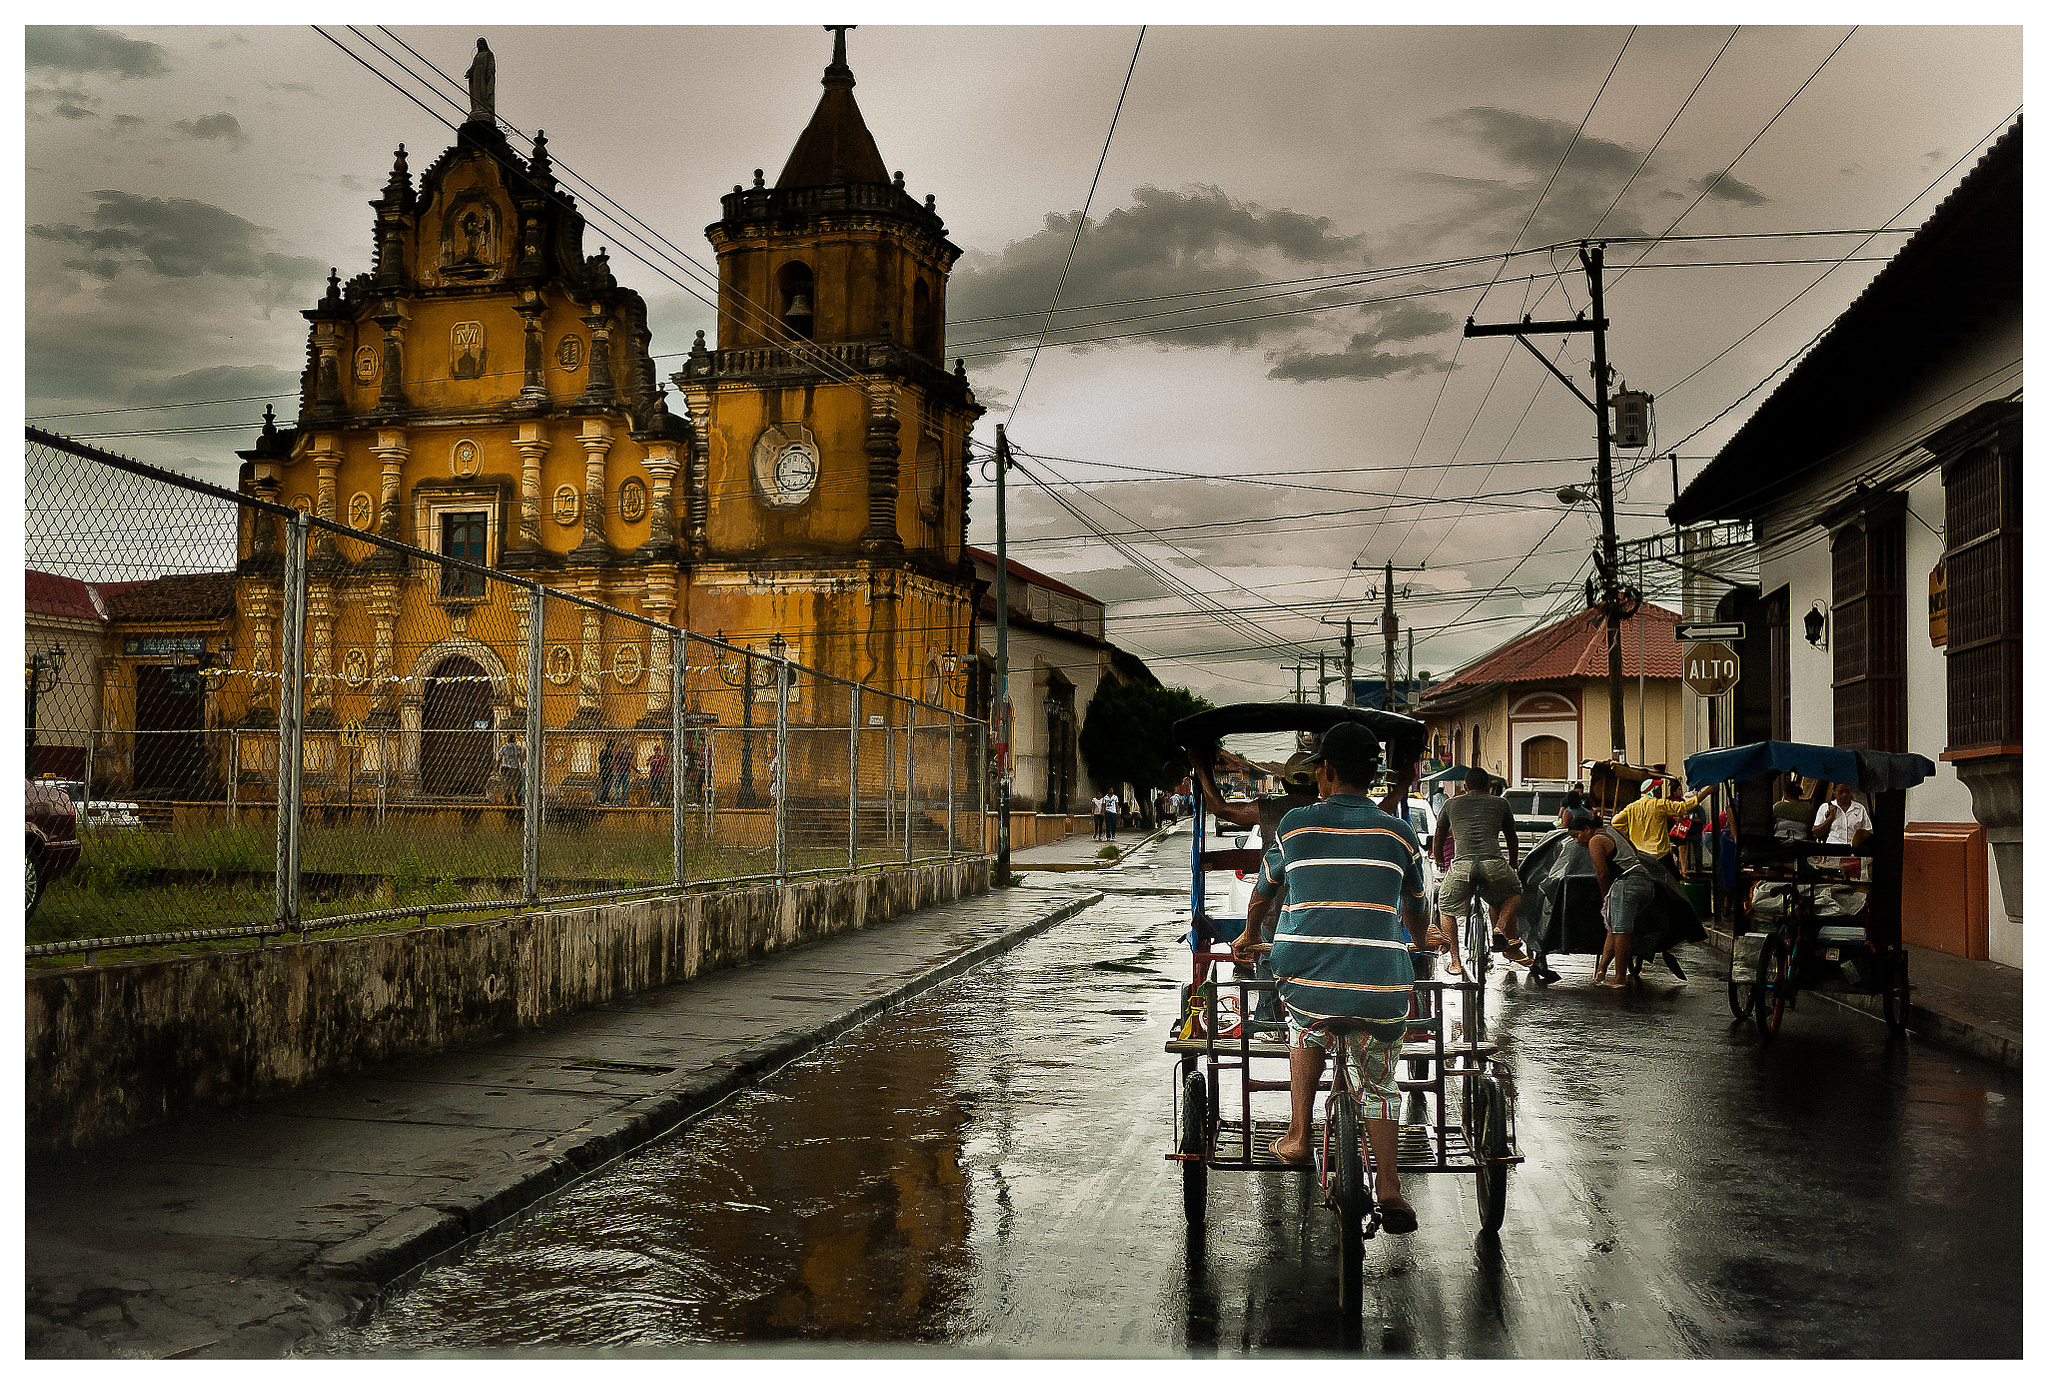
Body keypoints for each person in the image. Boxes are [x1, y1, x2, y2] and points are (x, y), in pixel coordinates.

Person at [1235, 721, 1426, 1235]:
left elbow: (1263, 893)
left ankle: (1299, 1137)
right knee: (1380, 1079)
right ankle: (1389, 1188)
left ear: (1327, 771)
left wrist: (1249, 933)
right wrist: (1418, 938)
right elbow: (1415, 902)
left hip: (1307, 979)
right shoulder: (1398, 832)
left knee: (1305, 1023)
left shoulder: (1295, 826)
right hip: (1382, 982)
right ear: (1373, 776)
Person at [1436, 769, 1531, 974]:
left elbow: (1439, 835)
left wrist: (1439, 859)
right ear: (1489, 787)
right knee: (1514, 893)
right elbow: (1511, 837)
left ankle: (1455, 961)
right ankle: (1500, 927)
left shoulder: (1451, 803)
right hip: (1493, 864)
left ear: (1465, 787)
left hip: (1462, 866)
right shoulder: (1501, 803)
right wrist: (1513, 864)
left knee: (1446, 907)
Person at [1567, 807, 1655, 988]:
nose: (1577, 841)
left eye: (1578, 835)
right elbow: (1633, 850)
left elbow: (1603, 874)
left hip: (1627, 883)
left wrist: (1605, 896)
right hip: (1646, 882)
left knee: (1621, 931)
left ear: (1587, 829)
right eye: (1573, 838)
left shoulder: (1595, 841)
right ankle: (1601, 971)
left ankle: (1620, 977)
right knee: (1613, 927)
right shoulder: (1612, 830)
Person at [1609, 777, 1705, 885]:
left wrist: (1628, 832)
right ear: (1652, 791)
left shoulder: (1632, 807)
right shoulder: (1659, 804)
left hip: (1640, 854)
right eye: (1658, 789)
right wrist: (1707, 792)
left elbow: (1615, 821)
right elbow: (1684, 807)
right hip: (1660, 854)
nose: (1660, 791)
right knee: (1674, 881)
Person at [1771, 775, 1813, 841]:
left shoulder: (1778, 806)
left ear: (1786, 794)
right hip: (1801, 841)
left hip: (1780, 840)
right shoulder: (1808, 808)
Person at [497, 735, 525, 806]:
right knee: (517, 786)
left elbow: (500, 757)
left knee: (507, 785)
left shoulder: (504, 747)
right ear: (514, 740)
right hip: (515, 768)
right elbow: (521, 757)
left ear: (508, 740)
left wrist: (498, 767)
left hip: (507, 768)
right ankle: (518, 801)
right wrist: (521, 765)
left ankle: (508, 801)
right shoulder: (518, 747)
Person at [597, 736, 618, 805]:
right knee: (607, 786)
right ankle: (602, 800)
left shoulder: (602, 751)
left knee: (604, 786)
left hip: (602, 770)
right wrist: (612, 768)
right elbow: (612, 762)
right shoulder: (610, 753)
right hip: (608, 771)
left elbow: (599, 760)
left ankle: (606, 799)